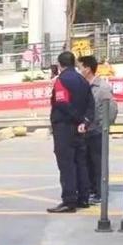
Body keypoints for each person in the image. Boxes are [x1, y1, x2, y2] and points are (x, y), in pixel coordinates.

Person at [47, 51, 94, 213]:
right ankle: (83, 198)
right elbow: (91, 104)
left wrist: (77, 118)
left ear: (60, 65)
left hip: (64, 127)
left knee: (66, 164)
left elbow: (62, 103)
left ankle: (69, 200)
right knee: (80, 162)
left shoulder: (61, 80)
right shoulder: (83, 80)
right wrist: (84, 121)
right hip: (80, 128)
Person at [79, 56, 117, 204]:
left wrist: (104, 126)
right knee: (87, 163)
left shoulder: (102, 87)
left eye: (80, 67)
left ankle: (101, 193)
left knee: (98, 163)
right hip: (86, 131)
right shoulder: (83, 86)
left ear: (87, 69)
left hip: (97, 131)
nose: (79, 70)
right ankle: (92, 190)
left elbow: (112, 109)